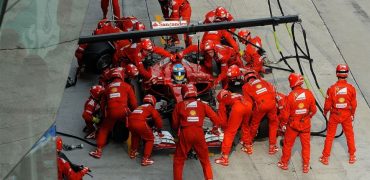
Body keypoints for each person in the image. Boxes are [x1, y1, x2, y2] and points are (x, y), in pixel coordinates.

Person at [172, 84, 223, 180]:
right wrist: (215, 128)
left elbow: (174, 124)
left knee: (179, 160)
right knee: (205, 160)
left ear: (184, 93)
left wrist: (177, 132)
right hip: (199, 133)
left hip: (185, 133)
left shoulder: (179, 106)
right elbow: (216, 119)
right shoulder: (203, 105)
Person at [89, 67, 138, 158]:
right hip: (124, 112)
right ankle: (133, 151)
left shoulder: (107, 88)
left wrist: (104, 117)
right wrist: (135, 115)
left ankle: (98, 151)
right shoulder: (127, 86)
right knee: (135, 129)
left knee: (104, 129)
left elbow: (103, 105)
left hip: (111, 112)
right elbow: (133, 103)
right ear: (122, 76)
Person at [277, 73, 317, 173]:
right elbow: (314, 110)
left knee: (288, 145)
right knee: (306, 146)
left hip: (293, 125)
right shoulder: (309, 93)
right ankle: (306, 166)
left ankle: (284, 163)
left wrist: (283, 124)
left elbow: (285, 115)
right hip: (306, 125)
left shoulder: (290, 97)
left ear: (292, 83)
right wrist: (307, 117)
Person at [319, 64, 357, 165]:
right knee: (349, 135)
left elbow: (327, 105)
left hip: (335, 115)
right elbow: (354, 104)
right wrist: (352, 114)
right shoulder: (351, 88)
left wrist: (325, 112)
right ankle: (352, 156)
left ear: (337, 74)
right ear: (347, 74)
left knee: (330, 136)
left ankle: (325, 157)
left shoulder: (331, 89)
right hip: (347, 115)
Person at [242, 71, 279, 154]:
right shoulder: (264, 81)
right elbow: (274, 90)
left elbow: (249, 103)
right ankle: (272, 147)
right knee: (273, 124)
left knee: (254, 124)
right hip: (272, 103)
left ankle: (248, 144)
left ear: (245, 79)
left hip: (261, 106)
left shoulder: (246, 86)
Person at [214, 89, 252, 166]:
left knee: (229, 132)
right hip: (248, 105)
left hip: (238, 108)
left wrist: (223, 127)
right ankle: (248, 147)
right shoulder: (235, 93)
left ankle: (224, 158)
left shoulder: (222, 101)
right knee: (245, 126)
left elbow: (223, 120)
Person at [128, 94, 163, 166]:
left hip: (130, 122)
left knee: (135, 136)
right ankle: (145, 159)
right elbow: (158, 119)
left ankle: (133, 153)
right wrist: (159, 128)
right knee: (150, 139)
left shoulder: (139, 107)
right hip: (140, 123)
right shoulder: (150, 108)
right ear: (153, 102)